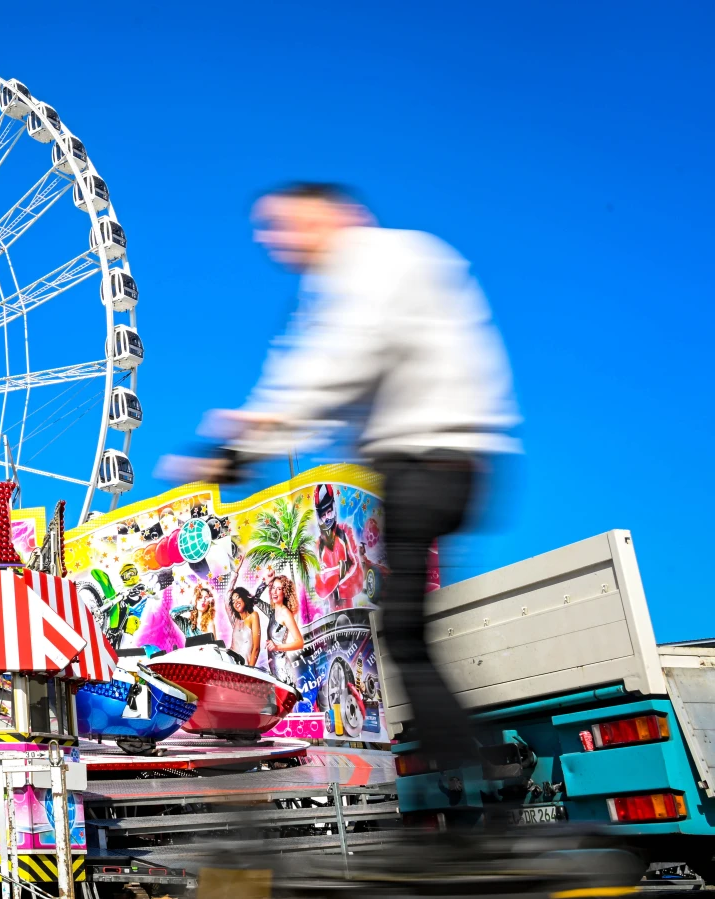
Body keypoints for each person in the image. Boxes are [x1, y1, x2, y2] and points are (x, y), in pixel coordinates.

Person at [158, 181, 519, 776]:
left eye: (287, 224)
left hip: (426, 462)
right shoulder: (404, 259)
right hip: (459, 460)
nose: (278, 241)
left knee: (404, 636)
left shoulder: (368, 265)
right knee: (408, 634)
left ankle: (481, 794)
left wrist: (238, 446)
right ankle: (473, 781)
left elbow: (330, 368)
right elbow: (336, 374)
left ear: (332, 215)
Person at [227, 587, 260, 667]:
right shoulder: (235, 620)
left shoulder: (253, 616)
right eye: (233, 601)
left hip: (245, 667)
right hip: (231, 665)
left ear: (244, 597)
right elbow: (226, 597)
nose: (236, 602)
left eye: (238, 597)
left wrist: (250, 670)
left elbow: (256, 648)